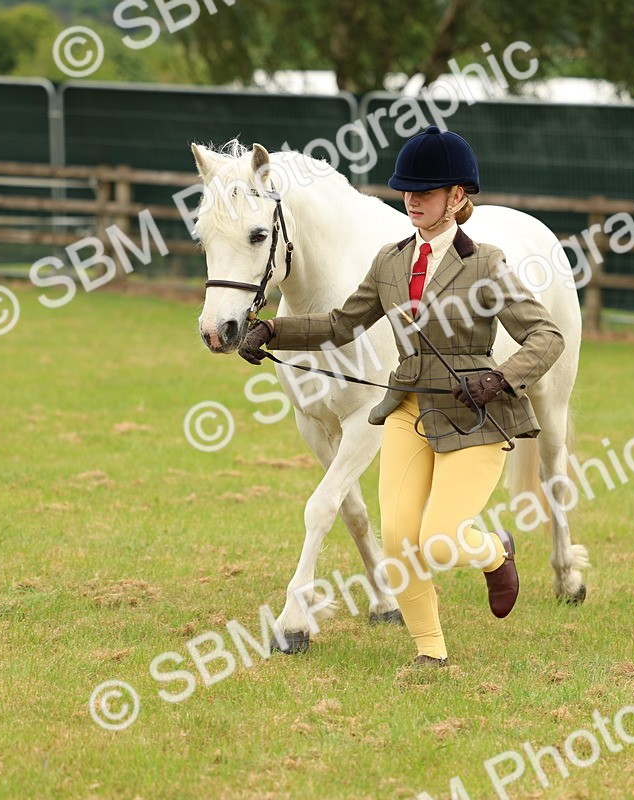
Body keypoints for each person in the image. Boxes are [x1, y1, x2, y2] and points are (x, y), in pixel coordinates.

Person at [239, 126, 565, 667]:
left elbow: (546, 336)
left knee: (440, 540)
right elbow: (342, 325)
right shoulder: (389, 262)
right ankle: (430, 654)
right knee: (398, 544)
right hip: (407, 411)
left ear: (457, 198)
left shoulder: (486, 262)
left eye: (427, 190)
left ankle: (493, 550)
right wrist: (275, 332)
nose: (411, 199)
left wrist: (502, 378)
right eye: (407, 189)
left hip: (472, 414)